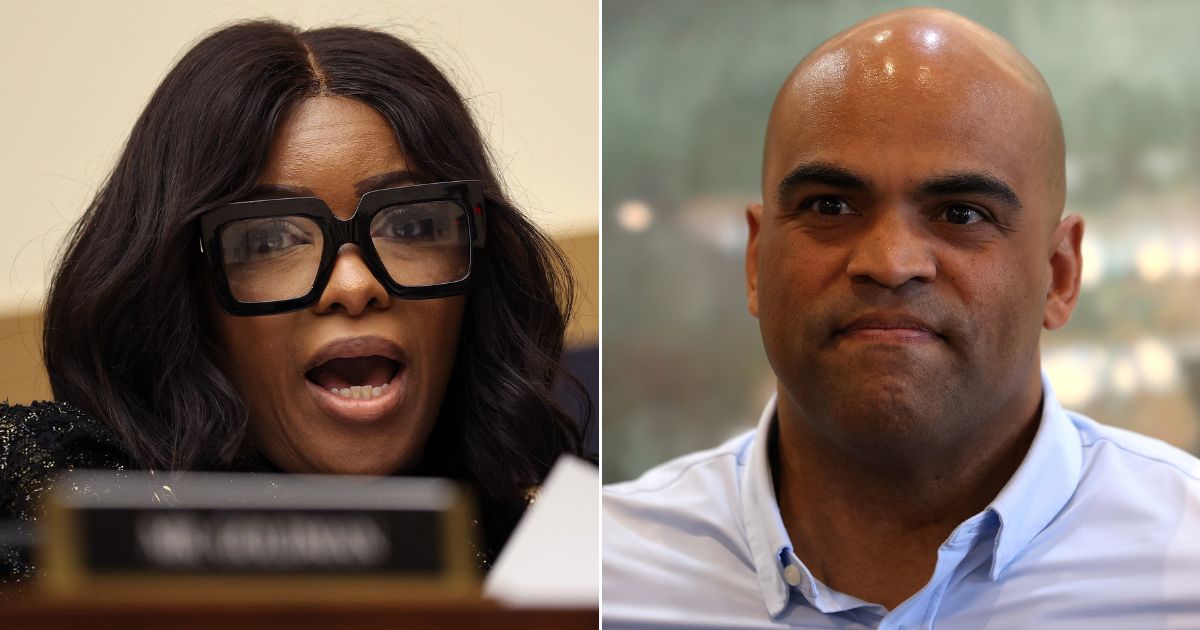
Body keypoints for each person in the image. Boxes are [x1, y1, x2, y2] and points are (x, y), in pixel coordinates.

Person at [603, 7, 1200, 628]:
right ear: (756, 260)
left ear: (1061, 274)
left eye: (961, 214)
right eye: (830, 206)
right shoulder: (607, 574)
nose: (890, 263)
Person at [0, 20, 587, 581]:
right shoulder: (54, 503)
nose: (354, 286)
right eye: (269, 239)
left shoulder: (555, 544)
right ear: (181, 293)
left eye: (411, 226)